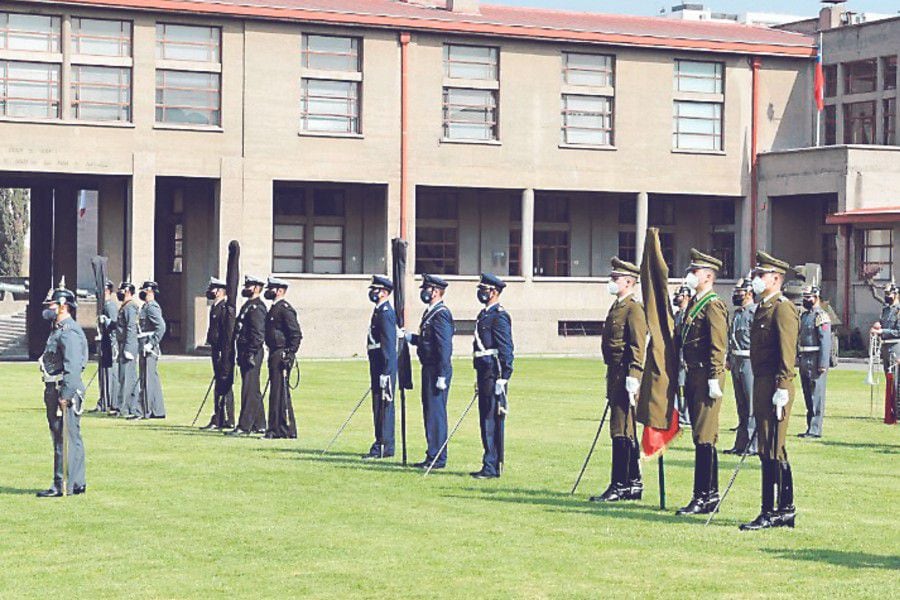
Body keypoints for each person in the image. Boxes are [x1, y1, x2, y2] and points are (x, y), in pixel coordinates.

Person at [740, 251, 800, 531]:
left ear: (775, 279)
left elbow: (787, 353)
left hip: (776, 384)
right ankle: (784, 509)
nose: (755, 280)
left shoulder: (782, 308)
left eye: (760, 275)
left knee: (772, 446)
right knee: (768, 445)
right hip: (763, 382)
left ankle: (773, 510)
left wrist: (783, 387)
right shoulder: (763, 307)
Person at [675, 249, 728, 516]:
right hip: (693, 374)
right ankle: (708, 494)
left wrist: (715, 377)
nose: (690, 276)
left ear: (707, 276)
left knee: (705, 436)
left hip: (707, 375)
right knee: (700, 436)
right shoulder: (694, 304)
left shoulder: (712, 305)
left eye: (694, 272)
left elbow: (718, 345)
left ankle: (705, 496)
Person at [591, 258, 646, 502]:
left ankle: (620, 484)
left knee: (621, 430)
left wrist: (634, 375)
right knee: (624, 429)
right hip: (615, 374)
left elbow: (637, 345)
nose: (611, 282)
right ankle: (633, 482)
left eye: (615, 279)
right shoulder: (617, 306)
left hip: (626, 374)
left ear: (628, 282)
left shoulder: (633, 308)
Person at [37, 281, 88, 497]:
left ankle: (64, 483)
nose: (47, 309)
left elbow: (73, 366)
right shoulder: (58, 329)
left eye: (51, 305)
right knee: (64, 436)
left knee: (64, 438)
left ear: (62, 305)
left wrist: (65, 395)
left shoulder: (69, 331)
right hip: (54, 386)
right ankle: (75, 482)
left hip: (63, 389)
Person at [406, 274, 454, 469]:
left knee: (436, 414)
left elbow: (444, 346)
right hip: (428, 367)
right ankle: (432, 453)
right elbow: (429, 340)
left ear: (435, 291)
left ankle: (437, 457)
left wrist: (442, 374)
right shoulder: (430, 312)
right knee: (429, 412)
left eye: (427, 289)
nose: (424, 293)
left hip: (436, 369)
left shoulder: (441, 313)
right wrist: (412, 338)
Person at [470, 273, 514, 480]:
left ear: (494, 292)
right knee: (485, 419)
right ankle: (488, 461)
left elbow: (506, 348)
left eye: (484, 290)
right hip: (484, 372)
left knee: (491, 420)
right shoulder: (484, 314)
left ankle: (492, 465)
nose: (481, 293)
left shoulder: (499, 315)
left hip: (494, 373)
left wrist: (504, 377)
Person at [362, 275, 398, 459]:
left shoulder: (385, 313)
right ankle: (381, 442)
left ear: (384, 292)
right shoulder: (379, 311)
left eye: (375, 290)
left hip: (383, 366)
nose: (372, 293)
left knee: (384, 406)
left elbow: (388, 346)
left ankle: (384, 445)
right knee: (378, 406)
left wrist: (386, 372)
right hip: (376, 363)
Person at [228, 275, 268, 436]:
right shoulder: (248, 305)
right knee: (253, 389)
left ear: (257, 288)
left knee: (248, 390)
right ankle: (259, 424)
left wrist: (251, 352)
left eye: (249, 286)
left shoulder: (257, 308)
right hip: (244, 351)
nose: (246, 288)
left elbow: (258, 334)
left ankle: (245, 426)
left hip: (252, 352)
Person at [263, 277, 302, 439]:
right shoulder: (274, 308)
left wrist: (289, 352)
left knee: (280, 392)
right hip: (274, 352)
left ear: (279, 290)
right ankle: (276, 427)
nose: (268, 291)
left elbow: (296, 334)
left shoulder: (284, 309)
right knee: (276, 392)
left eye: (272, 288)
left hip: (281, 354)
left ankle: (281, 429)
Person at [724, 277, 757, 455]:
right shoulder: (737, 314)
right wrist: (729, 358)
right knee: (741, 406)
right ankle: (740, 443)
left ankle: (752, 445)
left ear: (750, 294)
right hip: (737, 361)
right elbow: (732, 339)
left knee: (751, 406)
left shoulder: (754, 313)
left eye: (740, 293)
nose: (736, 296)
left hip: (750, 361)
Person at [797, 286, 832, 439]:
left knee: (816, 396)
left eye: (809, 297)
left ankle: (815, 429)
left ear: (816, 297)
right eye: (804, 297)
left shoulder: (821, 316)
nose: (806, 300)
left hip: (816, 357)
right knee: (807, 395)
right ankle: (809, 426)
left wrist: (823, 363)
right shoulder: (805, 316)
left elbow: (825, 341)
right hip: (805, 357)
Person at [202, 277, 236, 430]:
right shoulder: (215, 307)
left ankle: (226, 418)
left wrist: (224, 351)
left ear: (220, 291)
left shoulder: (224, 308)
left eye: (213, 289)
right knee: (219, 384)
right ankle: (218, 416)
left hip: (223, 352)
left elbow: (227, 333)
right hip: (216, 350)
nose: (210, 292)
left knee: (224, 385)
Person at [870, 283, 900, 424]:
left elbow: (898, 331)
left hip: (896, 346)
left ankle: (897, 412)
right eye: (886, 294)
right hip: (886, 347)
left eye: (889, 294)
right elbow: (883, 323)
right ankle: (890, 410)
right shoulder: (885, 309)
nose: (887, 297)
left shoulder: (898, 311)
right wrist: (878, 326)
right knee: (889, 380)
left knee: (896, 381)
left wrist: (882, 331)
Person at [137, 281, 166, 419]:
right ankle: (156, 410)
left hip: (149, 345)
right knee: (149, 377)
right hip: (144, 342)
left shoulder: (151, 307)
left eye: (144, 290)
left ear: (150, 291)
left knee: (148, 378)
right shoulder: (146, 306)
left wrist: (152, 343)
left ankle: (147, 410)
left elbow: (161, 327)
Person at [92, 281, 119, 414]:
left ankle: (110, 402)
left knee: (109, 374)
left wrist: (107, 322)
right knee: (103, 375)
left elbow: (115, 326)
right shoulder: (103, 306)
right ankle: (103, 401)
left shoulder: (110, 306)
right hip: (104, 343)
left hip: (110, 344)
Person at [116, 280, 141, 418]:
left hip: (127, 344)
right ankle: (127, 407)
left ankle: (125, 408)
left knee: (127, 378)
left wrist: (129, 348)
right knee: (125, 377)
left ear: (127, 292)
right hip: (123, 344)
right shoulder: (124, 307)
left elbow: (131, 328)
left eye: (121, 291)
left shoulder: (130, 307)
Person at [672, 285, 692, 426]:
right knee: (678, 386)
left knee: (685, 386)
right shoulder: (678, 314)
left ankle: (687, 415)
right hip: (677, 353)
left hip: (686, 355)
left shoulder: (689, 314)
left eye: (679, 295)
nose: (676, 298)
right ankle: (679, 414)